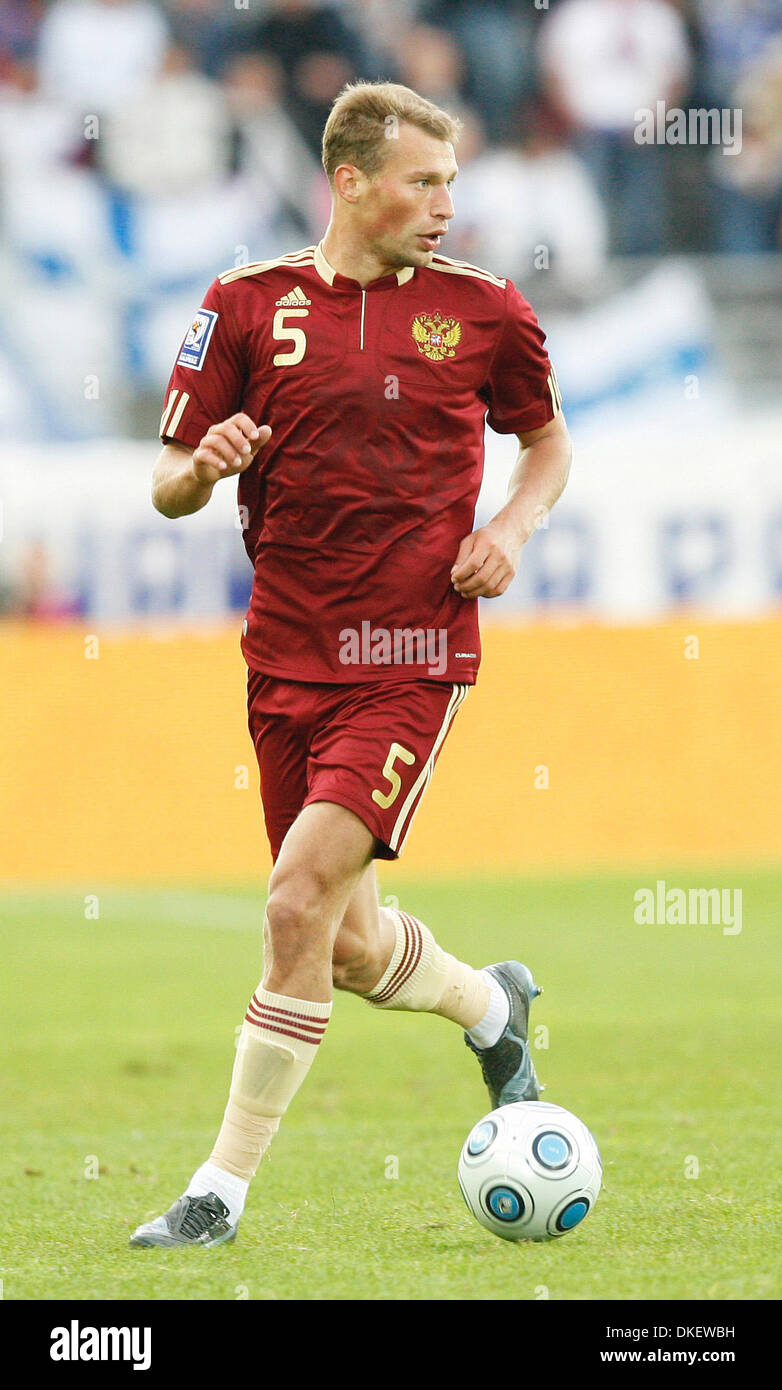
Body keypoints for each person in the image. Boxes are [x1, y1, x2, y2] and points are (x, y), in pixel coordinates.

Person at [130, 80, 572, 1249]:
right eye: (423, 181)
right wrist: (205, 465)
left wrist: (508, 530)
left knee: (290, 902)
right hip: (282, 658)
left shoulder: (483, 313)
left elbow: (544, 444)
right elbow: (168, 481)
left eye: (450, 183)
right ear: (350, 182)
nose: (443, 203)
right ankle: (492, 1007)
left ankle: (215, 1193)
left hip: (410, 657)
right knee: (343, 939)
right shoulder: (243, 305)